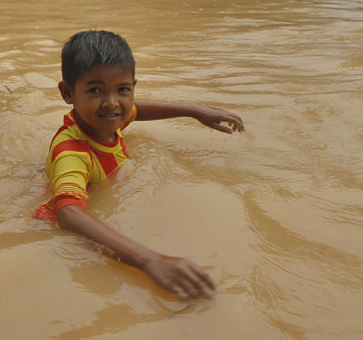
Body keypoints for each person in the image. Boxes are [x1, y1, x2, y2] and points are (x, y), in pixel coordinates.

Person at [35, 30, 245, 300]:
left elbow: (137, 111)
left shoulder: (105, 118)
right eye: (95, 90)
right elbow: (68, 214)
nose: (112, 103)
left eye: (123, 90)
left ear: (133, 86)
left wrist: (195, 111)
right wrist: (148, 260)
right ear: (67, 93)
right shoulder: (74, 152)